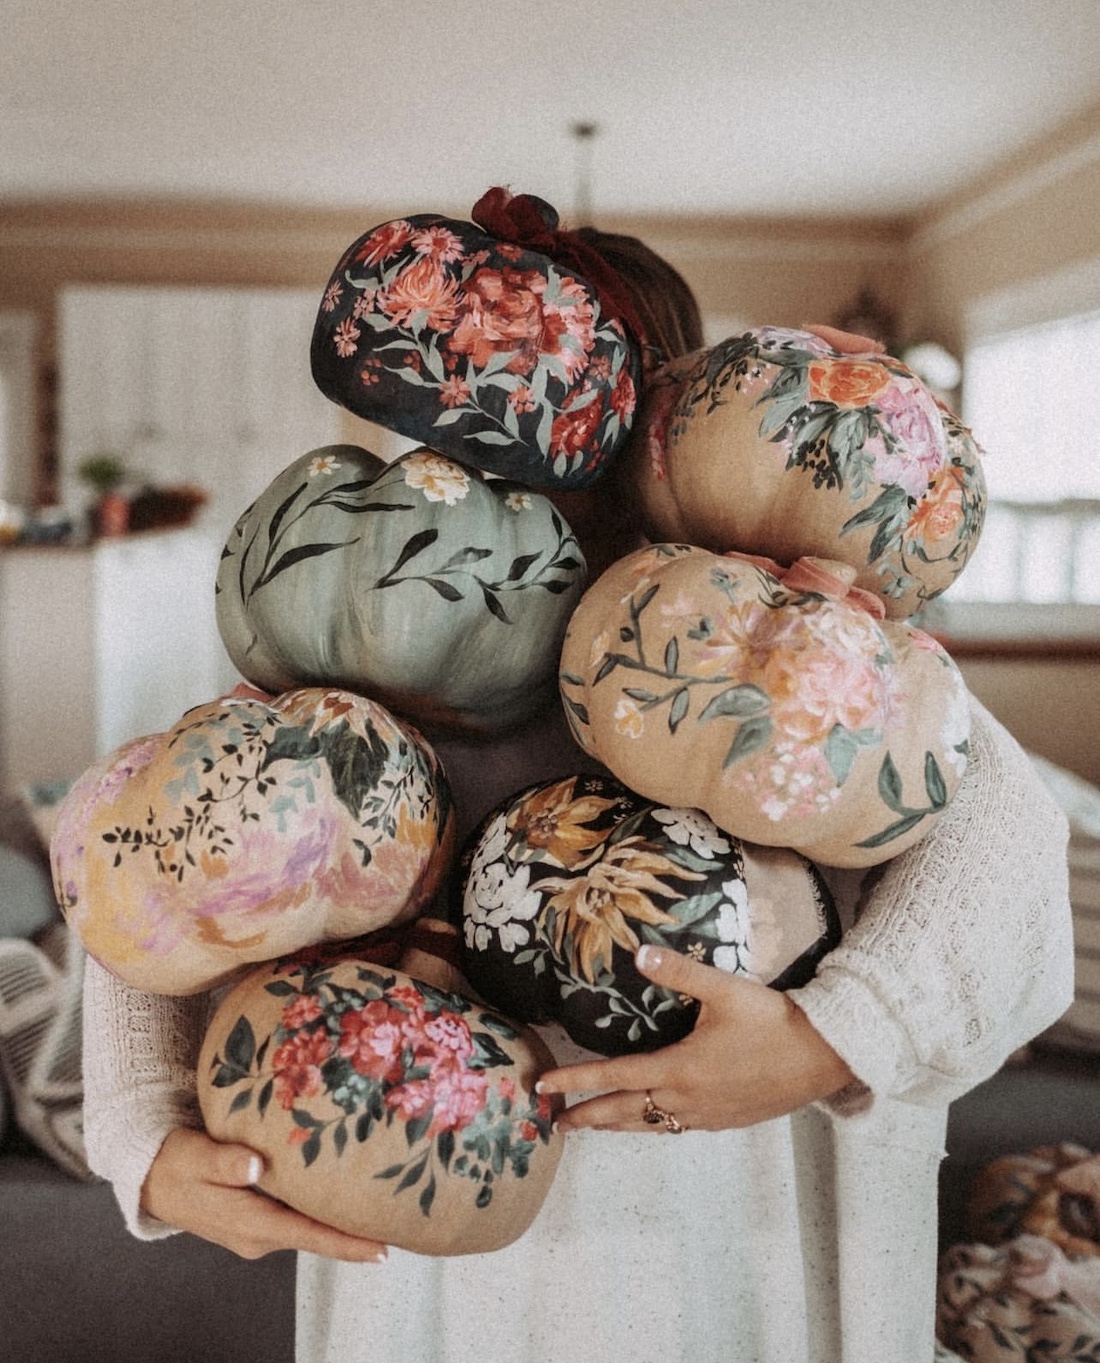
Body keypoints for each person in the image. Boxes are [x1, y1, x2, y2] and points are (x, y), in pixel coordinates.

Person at [81, 225, 1074, 1363]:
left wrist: (834, 1034)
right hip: (441, 1221)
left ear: (670, 418)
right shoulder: (359, 631)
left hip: (749, 1207)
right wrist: (140, 1129)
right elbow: (157, 862)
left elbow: (1004, 842)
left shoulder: (818, 641)